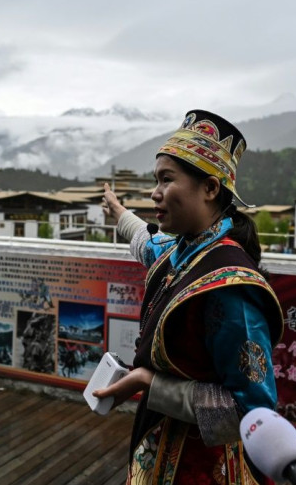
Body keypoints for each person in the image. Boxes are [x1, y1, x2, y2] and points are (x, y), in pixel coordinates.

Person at [95, 110, 284, 484]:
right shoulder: (179, 252)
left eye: (167, 179)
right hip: (155, 452)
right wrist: (118, 213)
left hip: (204, 467)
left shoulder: (231, 287)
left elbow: (254, 411)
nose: (155, 192)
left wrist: (150, 383)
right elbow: (146, 242)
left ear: (211, 188)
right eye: (155, 180)